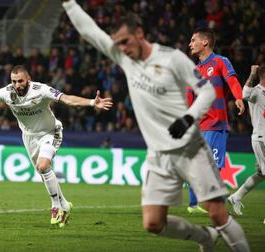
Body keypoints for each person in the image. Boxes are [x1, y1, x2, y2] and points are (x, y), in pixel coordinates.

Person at [61, 0, 250, 251]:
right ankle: (204, 236)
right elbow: (90, 31)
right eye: (118, 45)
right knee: (153, 223)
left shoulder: (172, 59)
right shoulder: (125, 57)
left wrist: (188, 118)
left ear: (139, 34)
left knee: (217, 212)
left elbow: (206, 92)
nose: (122, 49)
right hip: (158, 154)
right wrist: (69, 3)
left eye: (126, 42)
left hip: (190, 147)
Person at [0, 65, 113, 228]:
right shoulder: (6, 93)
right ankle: (65, 205)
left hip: (50, 132)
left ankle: (56, 207)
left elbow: (67, 99)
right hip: (29, 137)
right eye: (14, 81)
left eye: (20, 81)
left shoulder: (41, 90)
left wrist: (92, 102)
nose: (17, 85)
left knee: (43, 166)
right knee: (42, 172)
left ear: (29, 79)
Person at [187, 27, 245, 214]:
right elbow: (189, 96)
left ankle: (200, 203)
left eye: (193, 40)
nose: (190, 44)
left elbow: (232, 80)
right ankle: (196, 205)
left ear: (205, 42)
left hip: (215, 122)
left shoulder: (220, 61)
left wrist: (238, 97)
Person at [228, 65, 265, 218]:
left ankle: (236, 197)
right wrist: (252, 72)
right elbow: (244, 93)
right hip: (261, 139)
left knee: (261, 174)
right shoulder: (256, 91)